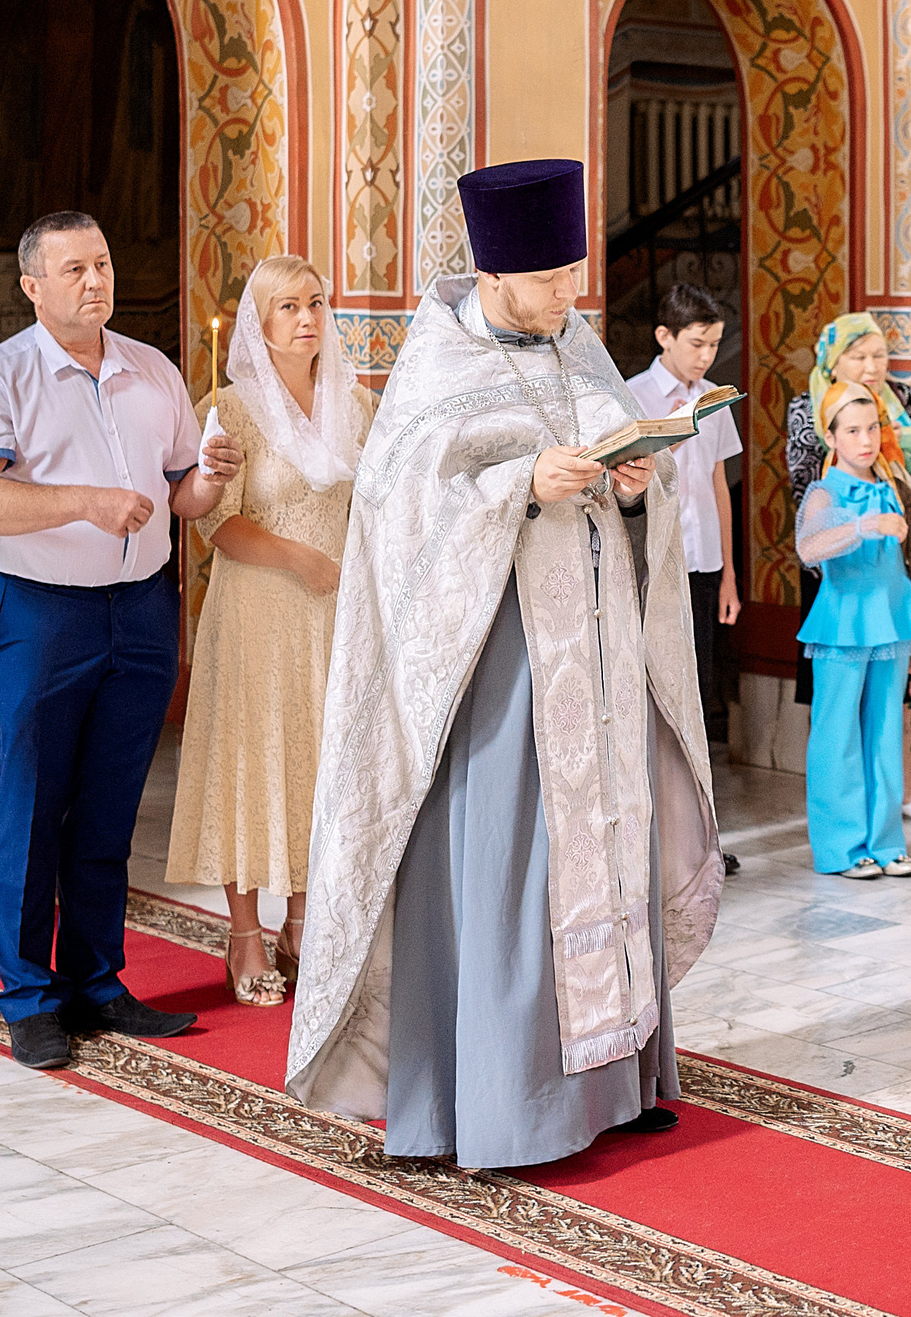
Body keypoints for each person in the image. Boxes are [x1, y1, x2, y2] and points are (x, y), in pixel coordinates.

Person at [285, 158, 723, 1172]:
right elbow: (399, 513)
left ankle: (615, 1085)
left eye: (577, 271)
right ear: (495, 269)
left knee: (609, 848)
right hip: (500, 660)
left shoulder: (577, 344)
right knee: (512, 862)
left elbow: (621, 473)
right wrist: (521, 481)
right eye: (554, 276)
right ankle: (503, 1102)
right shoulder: (438, 363)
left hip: (599, 648)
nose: (574, 294)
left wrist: (630, 476)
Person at [0, 210, 243, 1071]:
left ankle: (98, 980)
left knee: (111, 805)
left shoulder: (154, 372)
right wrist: (84, 500)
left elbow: (182, 496)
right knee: (34, 802)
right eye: (73, 269)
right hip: (43, 612)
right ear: (33, 285)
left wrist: (212, 484)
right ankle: (30, 998)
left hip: (141, 606)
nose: (95, 281)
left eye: (102, 263)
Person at [169, 255, 373, 1007]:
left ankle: (303, 919)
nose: (307, 317)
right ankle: (245, 934)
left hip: (334, 612)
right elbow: (216, 525)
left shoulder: (356, 403)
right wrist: (299, 559)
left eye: (316, 301)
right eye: (287, 306)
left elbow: (375, 505)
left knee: (319, 762)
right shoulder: (230, 408)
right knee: (252, 762)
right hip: (257, 606)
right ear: (259, 324)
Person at [785, 313, 911, 828]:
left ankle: (902, 794)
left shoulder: (902, 399)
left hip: (903, 561)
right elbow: (806, 493)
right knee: (837, 697)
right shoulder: (809, 406)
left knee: (905, 681)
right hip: (839, 571)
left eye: (878, 355)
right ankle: (842, 806)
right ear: (833, 361)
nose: (870, 367)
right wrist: (853, 538)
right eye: (857, 357)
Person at [795, 381, 911, 878]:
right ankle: (840, 848)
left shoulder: (890, 487)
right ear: (831, 437)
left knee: (884, 733)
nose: (866, 439)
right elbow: (807, 549)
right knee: (836, 735)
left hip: (893, 623)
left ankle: (886, 843)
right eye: (852, 430)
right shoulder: (824, 491)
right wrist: (862, 526)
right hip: (842, 625)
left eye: (872, 428)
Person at [626, 283, 744, 737]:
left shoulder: (715, 397)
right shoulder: (634, 395)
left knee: (700, 677)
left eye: (714, 345)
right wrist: (666, 441)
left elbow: (719, 484)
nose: (706, 356)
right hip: (655, 558)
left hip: (706, 563)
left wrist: (730, 572)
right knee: (653, 675)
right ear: (664, 336)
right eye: (697, 344)